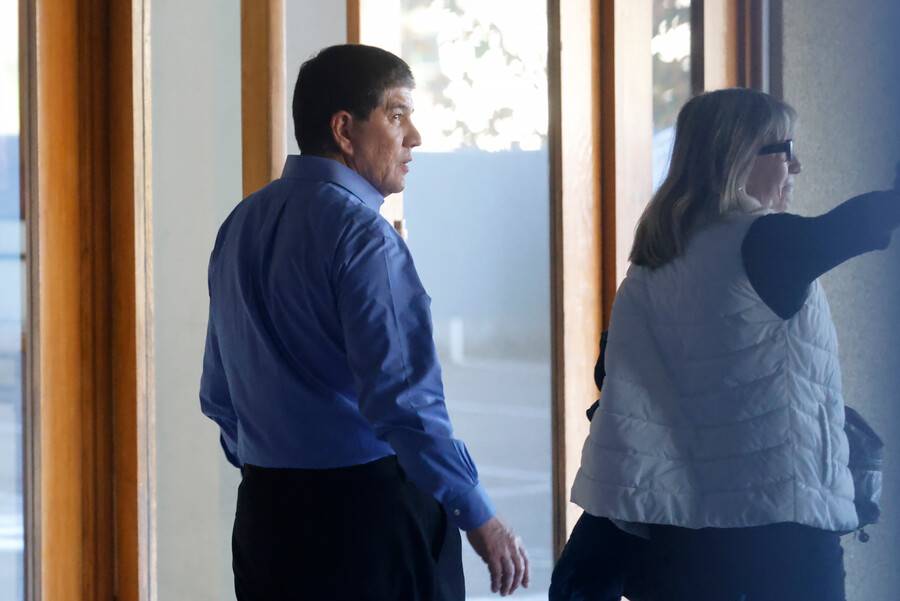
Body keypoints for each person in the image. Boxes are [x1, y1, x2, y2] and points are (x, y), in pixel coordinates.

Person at [199, 44, 529, 601]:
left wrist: (279, 472)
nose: (414, 137)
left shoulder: (240, 224)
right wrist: (479, 516)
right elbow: (405, 404)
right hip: (368, 522)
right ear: (344, 130)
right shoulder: (363, 238)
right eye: (397, 115)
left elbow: (218, 395)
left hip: (266, 519)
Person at [550, 88, 900, 600]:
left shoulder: (653, 263)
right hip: (777, 528)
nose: (796, 166)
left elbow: (613, 377)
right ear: (738, 156)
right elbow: (870, 220)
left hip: (677, 536)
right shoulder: (766, 243)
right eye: (785, 150)